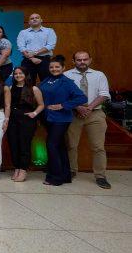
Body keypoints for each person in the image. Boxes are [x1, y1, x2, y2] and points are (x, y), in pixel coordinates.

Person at [65, 51, 111, 189]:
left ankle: (100, 176)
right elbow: (64, 95)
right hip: (73, 113)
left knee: (98, 147)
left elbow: (104, 94)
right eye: (79, 60)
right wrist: (78, 107)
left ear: (90, 60)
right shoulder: (66, 75)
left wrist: (89, 108)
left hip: (95, 114)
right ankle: (71, 171)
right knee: (71, 145)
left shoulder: (99, 75)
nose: (82, 62)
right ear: (73, 61)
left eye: (85, 59)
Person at [39, 55, 87, 186]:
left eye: (57, 67)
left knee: (51, 145)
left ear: (63, 68)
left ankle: (55, 178)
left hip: (61, 119)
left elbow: (82, 98)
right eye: (51, 67)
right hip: (48, 118)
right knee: (59, 146)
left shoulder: (66, 82)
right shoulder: (47, 80)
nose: (54, 69)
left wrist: (63, 105)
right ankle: (65, 175)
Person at [7, 66, 44, 182]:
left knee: (24, 145)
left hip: (27, 120)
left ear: (26, 74)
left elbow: (41, 105)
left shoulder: (33, 88)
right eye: (16, 74)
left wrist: (34, 113)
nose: (18, 75)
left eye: (20, 73)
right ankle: (17, 168)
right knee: (13, 144)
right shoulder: (10, 88)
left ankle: (23, 169)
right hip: (13, 119)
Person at [17, 13, 57, 83]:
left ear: (41, 20)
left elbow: (50, 45)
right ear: (29, 22)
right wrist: (31, 58)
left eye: (37, 18)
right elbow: (21, 47)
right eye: (32, 18)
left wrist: (35, 53)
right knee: (27, 83)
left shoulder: (49, 31)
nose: (34, 19)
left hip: (44, 60)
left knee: (47, 82)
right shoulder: (23, 32)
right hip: (28, 60)